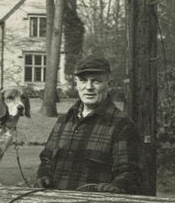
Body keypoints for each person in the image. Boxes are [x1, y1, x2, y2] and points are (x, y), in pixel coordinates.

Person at [35, 55, 142, 194]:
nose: (88, 87)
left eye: (96, 81)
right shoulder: (63, 121)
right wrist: (43, 176)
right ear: (77, 83)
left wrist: (116, 187)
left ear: (109, 84)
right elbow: (46, 159)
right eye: (83, 81)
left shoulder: (122, 125)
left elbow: (129, 172)